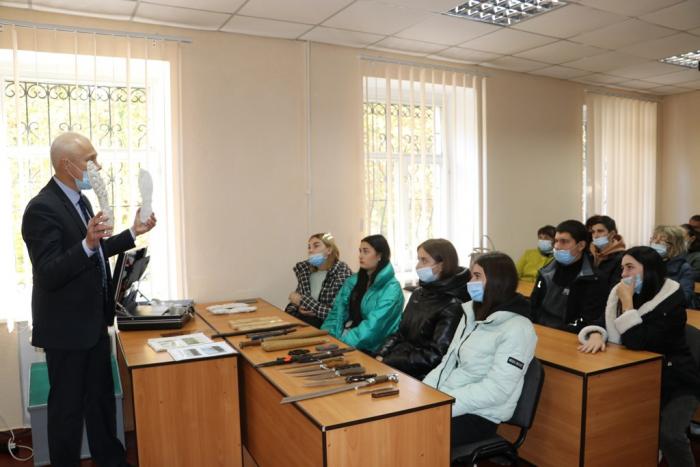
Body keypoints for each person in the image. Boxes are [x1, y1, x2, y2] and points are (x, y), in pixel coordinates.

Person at [22, 132, 156, 467]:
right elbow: (49, 272)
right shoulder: (41, 208)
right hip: (66, 331)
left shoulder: (80, 201)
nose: (97, 166)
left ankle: (111, 461)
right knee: (67, 413)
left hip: (94, 323)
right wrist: (87, 244)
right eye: (90, 159)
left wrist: (133, 232)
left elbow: (95, 251)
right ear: (66, 164)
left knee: (100, 403)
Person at [577, 247, 700, 466]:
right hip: (637, 377)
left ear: (649, 270)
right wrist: (596, 333)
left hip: (676, 381)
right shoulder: (622, 293)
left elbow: (637, 342)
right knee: (615, 423)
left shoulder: (672, 301)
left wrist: (628, 305)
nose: (623, 274)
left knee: (669, 435)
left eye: (630, 267)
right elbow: (602, 319)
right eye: (622, 268)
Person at [423, 252, 537, 450]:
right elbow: (448, 360)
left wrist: (445, 404)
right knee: (400, 421)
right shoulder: (471, 313)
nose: (470, 282)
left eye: (477, 276)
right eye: (471, 276)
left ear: (497, 281)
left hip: (481, 415)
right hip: (451, 400)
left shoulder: (519, 328)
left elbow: (497, 390)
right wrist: (424, 393)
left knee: (413, 434)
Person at [376, 239, 470, 379]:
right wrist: (381, 353)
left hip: (423, 376)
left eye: (424, 260)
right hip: (399, 365)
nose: (418, 266)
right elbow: (401, 332)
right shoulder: (418, 293)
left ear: (441, 265)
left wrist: (389, 360)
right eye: (418, 259)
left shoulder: (453, 304)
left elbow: (435, 355)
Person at [321, 234, 404, 353]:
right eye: (360, 251)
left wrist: (340, 343)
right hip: (346, 340)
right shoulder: (353, 281)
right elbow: (337, 313)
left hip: (372, 348)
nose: (360, 256)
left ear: (379, 256)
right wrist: (326, 337)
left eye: (366, 251)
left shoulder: (391, 288)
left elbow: (373, 327)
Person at [530, 219, 608, 342]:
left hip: (569, 336)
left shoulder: (594, 279)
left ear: (581, 245)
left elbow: (589, 320)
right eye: (556, 241)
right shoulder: (545, 272)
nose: (557, 246)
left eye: (564, 242)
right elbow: (533, 306)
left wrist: (557, 333)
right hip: (539, 331)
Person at [284, 233, 352, 328]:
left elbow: (336, 315)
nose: (310, 250)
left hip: (326, 329)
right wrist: (299, 308)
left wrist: (303, 301)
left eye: (316, 246)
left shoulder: (342, 275)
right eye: (309, 247)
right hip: (304, 324)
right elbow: (294, 302)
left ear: (329, 250)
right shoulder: (306, 272)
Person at [651, 225, 696, 307]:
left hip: (670, 310)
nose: (656, 242)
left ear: (676, 246)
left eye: (662, 240)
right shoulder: (648, 263)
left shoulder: (684, 268)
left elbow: (685, 298)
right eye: (654, 238)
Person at [588, 215, 626, 289]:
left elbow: (614, 288)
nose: (595, 236)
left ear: (612, 234)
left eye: (600, 231)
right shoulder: (589, 254)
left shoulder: (622, 257)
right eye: (593, 232)